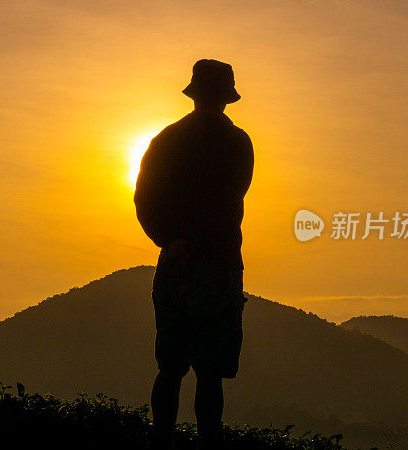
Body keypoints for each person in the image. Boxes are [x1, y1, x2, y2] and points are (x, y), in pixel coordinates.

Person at [134, 59, 254, 449]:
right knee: (211, 373)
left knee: (169, 368)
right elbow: (237, 194)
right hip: (219, 266)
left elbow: (143, 198)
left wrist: (168, 241)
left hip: (176, 264)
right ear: (226, 97)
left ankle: (161, 441)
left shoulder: (165, 140)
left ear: (194, 93)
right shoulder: (239, 143)